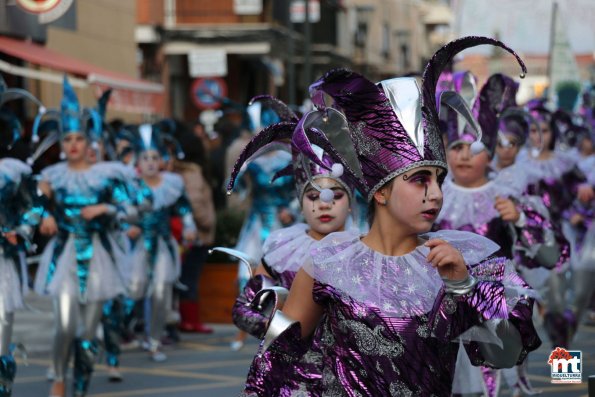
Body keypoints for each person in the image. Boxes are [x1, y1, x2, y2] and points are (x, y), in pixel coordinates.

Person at [240, 37, 541, 397]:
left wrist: (465, 288)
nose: (435, 194)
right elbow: (273, 362)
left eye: (438, 180)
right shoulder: (328, 263)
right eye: (419, 180)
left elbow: (506, 353)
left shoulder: (463, 260)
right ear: (380, 192)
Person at [224, 101, 358, 393]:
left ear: (350, 205)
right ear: (301, 201)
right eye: (313, 196)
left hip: (348, 374)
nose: (324, 204)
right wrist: (279, 322)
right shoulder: (282, 247)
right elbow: (247, 307)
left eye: (336, 196)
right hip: (291, 373)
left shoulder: (365, 250)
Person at [436, 74, 554, 397]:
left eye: (472, 148)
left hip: (493, 303)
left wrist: (520, 219)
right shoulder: (433, 197)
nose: (462, 155)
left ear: (489, 152)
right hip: (446, 307)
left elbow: (546, 252)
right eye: (456, 147)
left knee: (495, 380)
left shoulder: (506, 195)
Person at [31, 76, 134, 397]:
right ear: (61, 144)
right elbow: (31, 206)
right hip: (64, 257)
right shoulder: (52, 176)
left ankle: (81, 387)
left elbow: (132, 208)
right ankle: (59, 378)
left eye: (78, 138)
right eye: (67, 139)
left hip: (99, 261)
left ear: (87, 141)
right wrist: (43, 215)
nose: (73, 144)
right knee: (64, 326)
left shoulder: (105, 176)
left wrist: (104, 208)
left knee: (88, 332)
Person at [227, 101, 296, 350]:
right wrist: (239, 171)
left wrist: (292, 209)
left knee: (283, 277)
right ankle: (245, 329)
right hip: (255, 225)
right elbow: (235, 190)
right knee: (245, 274)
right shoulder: (250, 162)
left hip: (283, 226)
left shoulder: (289, 159)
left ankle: (279, 327)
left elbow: (303, 192)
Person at [125, 122, 198, 361]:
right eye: (144, 157)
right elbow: (118, 212)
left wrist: (189, 227)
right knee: (132, 291)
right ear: (137, 161)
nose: (149, 162)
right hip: (134, 249)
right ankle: (116, 332)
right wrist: (128, 226)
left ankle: (154, 340)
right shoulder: (130, 186)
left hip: (163, 247)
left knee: (159, 293)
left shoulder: (171, 185)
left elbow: (184, 207)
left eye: (154, 157)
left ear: (161, 160)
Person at [0, 78, 45, 397]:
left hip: (2, 262)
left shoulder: (14, 170)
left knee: (1, 333)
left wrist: (20, 231)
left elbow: (33, 207)